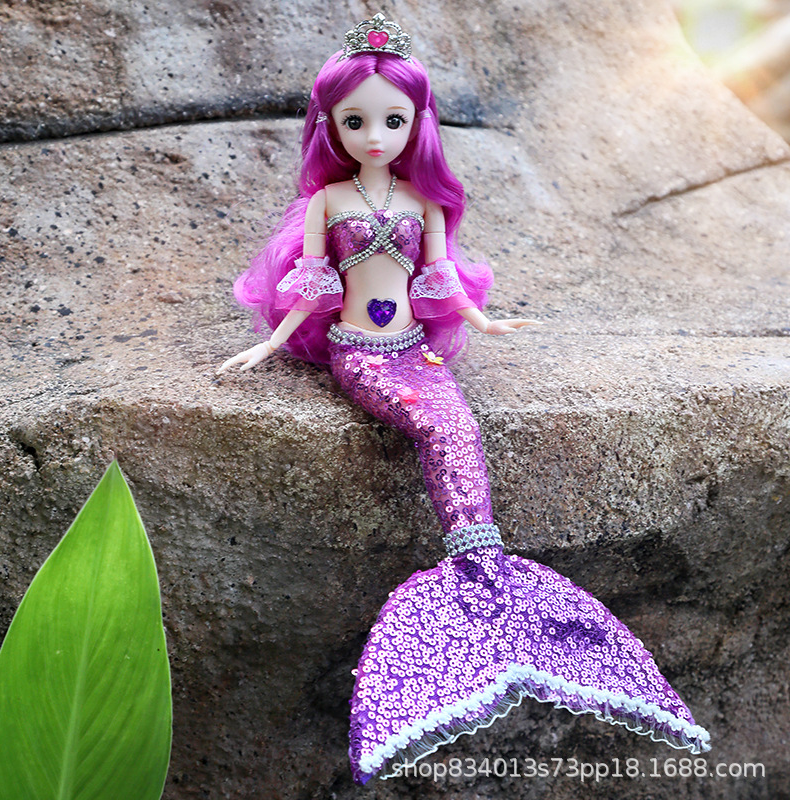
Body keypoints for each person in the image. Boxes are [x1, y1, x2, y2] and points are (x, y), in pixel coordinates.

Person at [218, 13, 710, 785]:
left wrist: (485, 321)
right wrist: (270, 344)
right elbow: (312, 288)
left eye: (392, 120)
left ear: (418, 122)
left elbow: (438, 278)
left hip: (415, 348)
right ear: (329, 125)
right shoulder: (329, 203)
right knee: (429, 425)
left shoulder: (424, 201)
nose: (374, 135)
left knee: (460, 427)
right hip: (362, 355)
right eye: (354, 121)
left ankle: (485, 577)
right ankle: (477, 590)